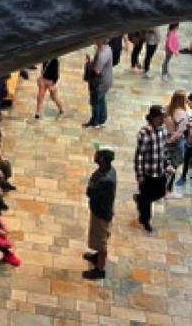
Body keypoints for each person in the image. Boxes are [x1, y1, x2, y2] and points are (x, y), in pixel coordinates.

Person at [134, 105, 170, 233]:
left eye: (163, 118)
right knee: (147, 199)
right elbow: (140, 154)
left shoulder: (163, 130)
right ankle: (145, 220)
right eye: (160, 118)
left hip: (159, 170)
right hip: (148, 171)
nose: (162, 121)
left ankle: (140, 198)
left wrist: (167, 163)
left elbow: (165, 149)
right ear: (153, 118)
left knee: (160, 192)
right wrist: (139, 173)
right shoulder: (145, 132)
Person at [83, 146, 116, 280]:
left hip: (102, 213)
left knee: (101, 241)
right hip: (99, 209)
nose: (95, 155)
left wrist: (90, 186)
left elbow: (90, 191)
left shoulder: (106, 179)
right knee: (97, 237)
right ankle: (97, 257)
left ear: (102, 159)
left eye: (97, 154)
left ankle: (100, 269)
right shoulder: (107, 170)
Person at [164, 91, 190, 199]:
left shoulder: (166, 109)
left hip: (166, 139)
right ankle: (168, 189)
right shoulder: (182, 114)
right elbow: (179, 133)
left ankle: (161, 187)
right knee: (173, 167)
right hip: (176, 143)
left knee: (165, 164)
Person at [82, 41, 113, 128]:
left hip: (99, 83)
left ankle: (95, 122)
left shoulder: (102, 54)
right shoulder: (108, 48)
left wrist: (89, 64)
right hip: (106, 81)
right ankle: (102, 119)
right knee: (101, 100)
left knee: (95, 102)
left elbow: (97, 70)